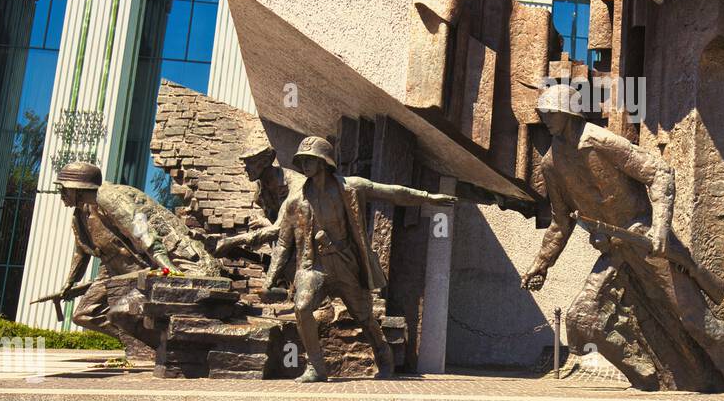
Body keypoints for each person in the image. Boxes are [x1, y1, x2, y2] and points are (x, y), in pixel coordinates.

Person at [521, 83, 724, 393]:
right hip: (613, 250)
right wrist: (542, 264)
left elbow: (659, 172)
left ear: (569, 113)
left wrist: (660, 227)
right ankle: (646, 375)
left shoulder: (600, 140)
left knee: (692, 315)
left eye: (552, 112)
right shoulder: (551, 163)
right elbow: (561, 221)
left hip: (644, 240)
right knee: (582, 317)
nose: (546, 117)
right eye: (543, 112)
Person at [264, 136, 456, 383]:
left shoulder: (350, 187)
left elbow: (392, 193)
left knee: (364, 317)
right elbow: (282, 243)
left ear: (324, 162)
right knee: (302, 308)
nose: (305, 165)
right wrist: (270, 279)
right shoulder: (295, 201)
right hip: (315, 266)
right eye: (302, 160)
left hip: (345, 263)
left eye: (310, 160)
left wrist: (428, 197)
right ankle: (316, 367)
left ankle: (385, 358)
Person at [54, 161, 219, 351]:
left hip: (139, 267)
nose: (62, 196)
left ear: (78, 189)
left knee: (123, 313)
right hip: (109, 270)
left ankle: (164, 345)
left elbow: (141, 230)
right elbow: (81, 251)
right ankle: (144, 343)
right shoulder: (79, 214)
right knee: (83, 314)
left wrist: (166, 265)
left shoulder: (110, 197)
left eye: (64, 190)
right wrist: (70, 282)